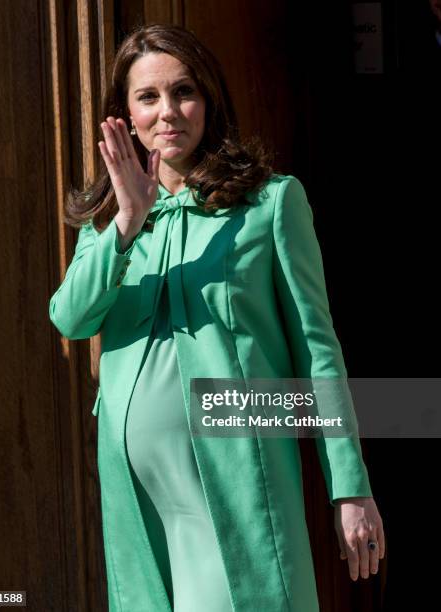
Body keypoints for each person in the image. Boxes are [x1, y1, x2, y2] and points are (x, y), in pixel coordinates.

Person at [49, 23, 385, 612]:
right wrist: (128, 221)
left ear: (209, 99)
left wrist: (349, 487)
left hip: (237, 482)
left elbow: (318, 350)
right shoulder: (109, 221)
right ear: (123, 115)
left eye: (184, 92)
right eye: (147, 97)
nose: (168, 111)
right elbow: (71, 318)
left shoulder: (271, 203)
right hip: (139, 499)